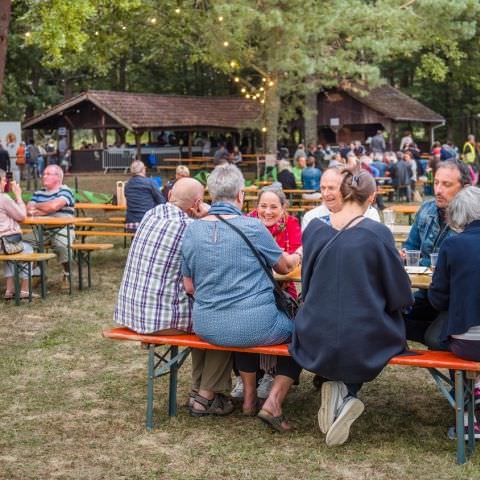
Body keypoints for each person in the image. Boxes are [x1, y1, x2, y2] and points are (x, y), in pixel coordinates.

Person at [291, 169, 413, 446]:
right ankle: (348, 397)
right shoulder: (377, 234)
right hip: (362, 335)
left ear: (343, 193)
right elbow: (400, 295)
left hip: (313, 331)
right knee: (376, 329)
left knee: (349, 331)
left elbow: (306, 285)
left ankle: (341, 391)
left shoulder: (313, 230)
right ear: (372, 197)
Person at [182, 164, 302, 430]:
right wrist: (299, 255)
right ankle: (272, 400)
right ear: (240, 195)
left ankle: (248, 398)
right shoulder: (253, 227)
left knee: (245, 325)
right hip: (254, 325)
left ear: (210, 194)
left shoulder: (192, 230)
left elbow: (189, 286)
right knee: (302, 333)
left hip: (206, 326)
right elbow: (284, 267)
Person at [428, 186, 480, 435]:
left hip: (467, 343)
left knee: (440, 336)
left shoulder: (453, 244)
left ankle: (470, 415)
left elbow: (437, 300)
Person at [403, 160, 471, 344]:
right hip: (426, 293)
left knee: (433, 338)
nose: (438, 190)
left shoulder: (471, 219)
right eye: (436, 182)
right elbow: (411, 246)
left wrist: (419, 263)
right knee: (387, 317)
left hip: (455, 299)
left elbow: (450, 265)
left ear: (465, 188)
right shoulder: (426, 209)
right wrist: (404, 254)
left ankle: (441, 337)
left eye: (446, 184)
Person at [25, 165, 75, 289]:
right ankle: (37, 274)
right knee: (23, 242)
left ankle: (67, 275)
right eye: (44, 173)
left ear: (57, 177)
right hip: (41, 230)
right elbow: (28, 210)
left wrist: (37, 206)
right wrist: (48, 208)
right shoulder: (38, 192)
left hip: (63, 228)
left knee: (62, 244)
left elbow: (53, 206)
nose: (44, 176)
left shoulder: (65, 191)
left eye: (48, 174)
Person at [302, 167, 380, 230]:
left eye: (331, 188)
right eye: (322, 188)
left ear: (344, 189)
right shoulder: (311, 217)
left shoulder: (368, 213)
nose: (325, 194)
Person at [0, 170, 37, 299]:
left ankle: (9, 290)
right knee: (28, 249)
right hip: (5, 243)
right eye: (4, 180)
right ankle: (25, 290)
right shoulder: (3, 198)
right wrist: (18, 196)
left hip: (4, 246)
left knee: (10, 252)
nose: (6, 183)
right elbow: (21, 216)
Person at [124, 160, 165, 232]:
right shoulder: (150, 182)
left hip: (130, 223)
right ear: (143, 170)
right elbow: (161, 201)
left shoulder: (127, 184)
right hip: (147, 222)